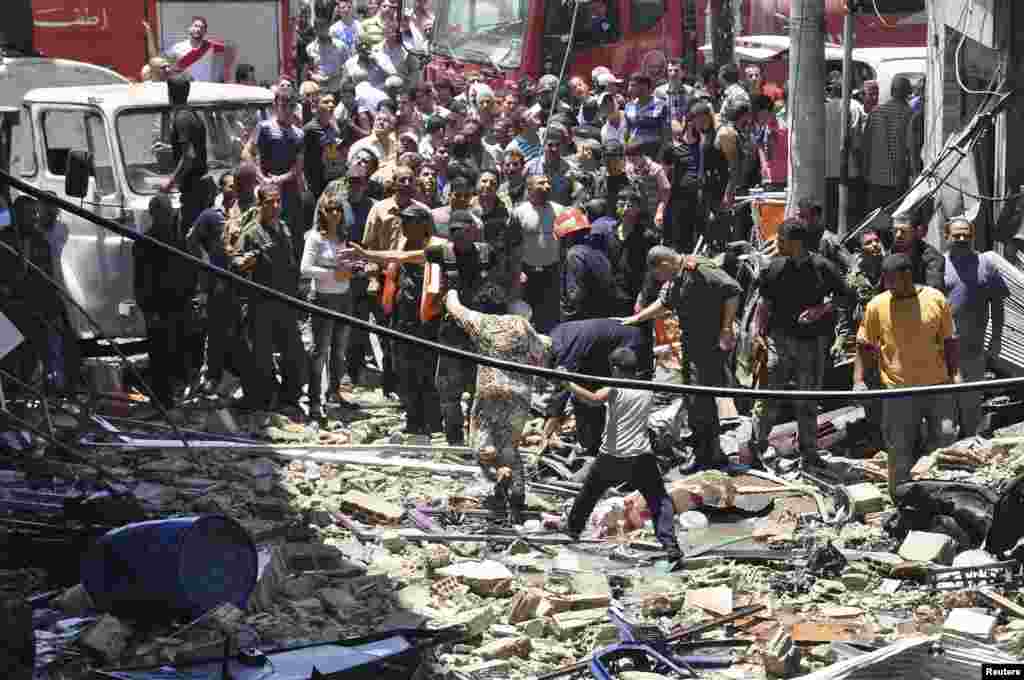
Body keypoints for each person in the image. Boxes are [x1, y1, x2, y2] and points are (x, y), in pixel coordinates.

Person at [623, 247, 742, 470]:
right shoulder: (678, 277)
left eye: (659, 274)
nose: (660, 279)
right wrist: (638, 318)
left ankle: (708, 454)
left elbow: (732, 291)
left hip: (708, 344)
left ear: (665, 264)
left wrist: (726, 328)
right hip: (691, 344)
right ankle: (708, 452)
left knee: (700, 398)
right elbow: (665, 302)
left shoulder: (700, 269)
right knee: (694, 398)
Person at [444, 288, 553, 524]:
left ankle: (497, 475)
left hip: (490, 391)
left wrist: (451, 289)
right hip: (519, 396)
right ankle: (517, 498)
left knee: (482, 444)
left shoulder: (481, 321)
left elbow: (455, 308)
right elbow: (540, 352)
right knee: (510, 448)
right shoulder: (521, 324)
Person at [562, 347, 682, 560]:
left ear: (616, 369)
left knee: (588, 495)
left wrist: (567, 383)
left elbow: (593, 399)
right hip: (640, 457)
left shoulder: (615, 388)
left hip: (611, 457)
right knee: (659, 500)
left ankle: (572, 531)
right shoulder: (647, 388)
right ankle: (670, 544)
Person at [856, 253, 958, 499]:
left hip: (936, 387)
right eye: (887, 281)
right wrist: (859, 380)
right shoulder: (877, 305)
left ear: (908, 276)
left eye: (895, 281)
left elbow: (949, 341)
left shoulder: (935, 299)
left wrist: (956, 374)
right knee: (898, 447)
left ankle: (940, 497)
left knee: (945, 438)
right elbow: (864, 343)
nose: (890, 287)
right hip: (899, 391)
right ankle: (900, 498)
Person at [751, 219, 850, 469]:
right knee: (769, 398)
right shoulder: (774, 268)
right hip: (778, 342)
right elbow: (764, 303)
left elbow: (847, 297)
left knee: (807, 400)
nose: (777, 245)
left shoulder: (822, 267)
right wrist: (757, 331)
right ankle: (756, 447)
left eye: (781, 241)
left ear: (796, 243)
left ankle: (809, 453)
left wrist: (821, 309)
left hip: (811, 344)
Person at [234, 183, 307, 417]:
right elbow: (236, 263)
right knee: (262, 355)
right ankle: (264, 399)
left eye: (278, 201)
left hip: (286, 301)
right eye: (269, 202)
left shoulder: (284, 228)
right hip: (261, 303)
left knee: (293, 351)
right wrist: (248, 260)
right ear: (260, 205)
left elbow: (291, 262)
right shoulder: (251, 233)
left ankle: (290, 397)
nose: (275, 206)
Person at [187, 171, 260, 399]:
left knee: (245, 332)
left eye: (236, 185)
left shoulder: (251, 213)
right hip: (220, 284)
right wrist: (207, 265)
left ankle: (245, 378)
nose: (234, 189)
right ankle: (214, 376)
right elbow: (192, 240)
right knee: (218, 331)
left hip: (246, 284)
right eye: (230, 185)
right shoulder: (212, 216)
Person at [542, 318, 652, 459]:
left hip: (628, 345)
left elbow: (564, 395)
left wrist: (545, 434)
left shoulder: (565, 352)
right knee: (581, 397)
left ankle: (608, 447)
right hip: (600, 352)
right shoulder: (556, 335)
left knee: (617, 400)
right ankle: (591, 444)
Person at [943, 218, 1008, 436]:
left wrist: (996, 339)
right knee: (945, 413)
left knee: (971, 408)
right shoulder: (937, 265)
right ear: (947, 237)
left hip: (973, 351)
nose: (962, 238)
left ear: (972, 236)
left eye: (966, 234)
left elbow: (998, 305)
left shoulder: (986, 265)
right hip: (941, 352)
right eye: (956, 234)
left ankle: (970, 452)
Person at [134, 195, 197, 417]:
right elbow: (141, 282)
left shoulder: (177, 240)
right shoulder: (145, 242)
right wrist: (149, 311)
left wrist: (190, 295)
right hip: (158, 309)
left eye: (169, 212)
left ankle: (176, 396)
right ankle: (163, 400)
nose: (169, 216)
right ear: (155, 214)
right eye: (165, 212)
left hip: (179, 305)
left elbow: (189, 269)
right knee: (160, 355)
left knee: (179, 351)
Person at [301, 184, 356, 421]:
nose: (335, 213)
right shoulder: (314, 238)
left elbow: (345, 265)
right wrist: (334, 273)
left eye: (339, 209)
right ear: (322, 212)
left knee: (339, 351)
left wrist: (354, 268)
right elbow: (305, 269)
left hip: (344, 298)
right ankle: (314, 400)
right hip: (323, 299)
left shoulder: (343, 237)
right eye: (331, 209)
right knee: (319, 351)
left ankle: (334, 393)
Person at [245, 86, 306, 256]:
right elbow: (247, 153)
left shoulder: (299, 134)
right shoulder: (264, 127)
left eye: (291, 106)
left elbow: (298, 167)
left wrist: (280, 179)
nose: (287, 110)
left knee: (292, 233)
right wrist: (261, 177)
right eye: (283, 105)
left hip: (289, 191)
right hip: (266, 190)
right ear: (275, 105)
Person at [510, 174, 563, 333]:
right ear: (530, 188)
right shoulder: (519, 212)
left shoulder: (559, 210)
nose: (547, 186)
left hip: (552, 272)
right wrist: (517, 271)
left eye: (548, 182)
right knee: (527, 315)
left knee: (550, 314)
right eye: (541, 183)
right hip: (528, 272)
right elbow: (513, 245)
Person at [161, 74, 210, 234]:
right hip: (201, 188)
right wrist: (170, 148)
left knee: (189, 238)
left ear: (169, 94)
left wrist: (170, 182)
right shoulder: (193, 115)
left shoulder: (180, 119)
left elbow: (189, 156)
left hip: (193, 191)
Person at [862, 76, 914, 211]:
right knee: (895, 218)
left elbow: (866, 146)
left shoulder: (875, 113)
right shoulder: (909, 114)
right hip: (898, 178)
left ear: (892, 91)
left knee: (876, 218)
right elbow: (911, 148)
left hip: (876, 177)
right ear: (908, 93)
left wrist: (866, 171)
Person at [558, 208, 615, 323]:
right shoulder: (597, 251)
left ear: (566, 237)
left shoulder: (574, 255)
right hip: (601, 314)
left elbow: (575, 295)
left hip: (582, 319)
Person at [607, 189, 658, 316]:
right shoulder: (610, 232)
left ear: (638, 209)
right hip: (613, 294)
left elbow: (651, 270)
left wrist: (642, 297)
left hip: (635, 296)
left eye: (630, 206)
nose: (625, 209)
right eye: (621, 205)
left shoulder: (647, 236)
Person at [145, 16, 227, 82]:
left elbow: (231, 47)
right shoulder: (178, 47)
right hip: (186, 90)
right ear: (189, 28)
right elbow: (155, 58)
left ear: (205, 31)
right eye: (196, 26)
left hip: (205, 89)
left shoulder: (210, 45)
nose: (198, 29)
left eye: (202, 27)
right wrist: (149, 33)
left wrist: (228, 72)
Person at [525, 126, 583, 206]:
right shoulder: (531, 167)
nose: (554, 149)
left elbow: (578, 195)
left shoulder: (571, 169)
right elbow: (525, 197)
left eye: (557, 145)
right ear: (543, 145)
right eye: (550, 145)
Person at [304, 92, 348, 199]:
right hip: (315, 182)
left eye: (333, 102)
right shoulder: (311, 128)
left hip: (331, 178)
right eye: (326, 102)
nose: (331, 105)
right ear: (316, 107)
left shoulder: (331, 126)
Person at [624, 140, 670, 232]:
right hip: (635, 215)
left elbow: (665, 193)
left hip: (652, 214)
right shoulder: (629, 168)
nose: (631, 162)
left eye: (634, 158)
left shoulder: (656, 169)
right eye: (629, 159)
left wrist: (659, 212)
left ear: (642, 155)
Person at [892, 215, 945, 289]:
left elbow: (933, 291)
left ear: (915, 232)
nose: (898, 235)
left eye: (903, 231)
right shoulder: (890, 254)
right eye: (895, 231)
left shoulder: (932, 258)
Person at [623, 73, 667, 158]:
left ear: (644, 86)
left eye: (633, 86)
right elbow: (627, 131)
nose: (629, 89)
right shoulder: (629, 106)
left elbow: (665, 134)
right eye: (629, 86)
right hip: (633, 154)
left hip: (653, 153)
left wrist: (661, 155)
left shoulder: (660, 105)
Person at [307, 10, 349, 94]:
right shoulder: (310, 48)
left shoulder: (340, 46)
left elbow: (347, 66)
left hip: (337, 87)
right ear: (315, 30)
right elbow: (308, 69)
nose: (321, 31)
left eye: (323, 27)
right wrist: (313, 76)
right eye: (318, 28)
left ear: (328, 27)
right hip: (319, 88)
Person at [593, 140, 630, 219]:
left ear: (622, 158)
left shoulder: (630, 181)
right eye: (607, 159)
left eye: (614, 159)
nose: (610, 163)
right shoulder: (598, 179)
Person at [654, 58, 692, 125]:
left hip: (684, 130)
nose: (673, 73)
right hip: (666, 130)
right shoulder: (659, 91)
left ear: (683, 72)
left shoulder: (690, 91)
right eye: (670, 70)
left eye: (676, 70)